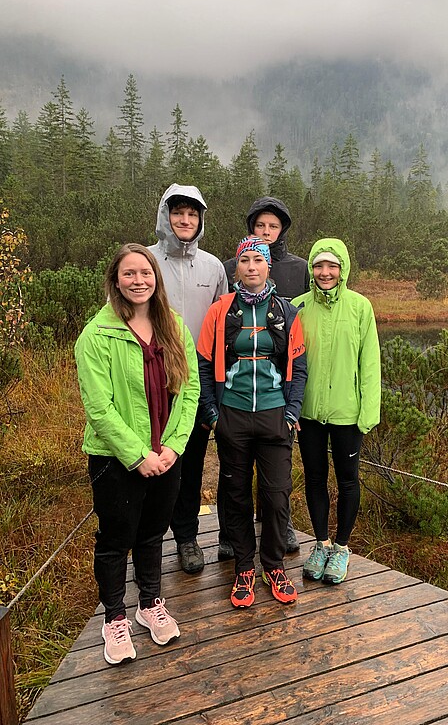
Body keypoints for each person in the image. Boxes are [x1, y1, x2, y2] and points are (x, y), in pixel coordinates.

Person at [75, 244, 200, 665]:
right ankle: (114, 617)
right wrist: (138, 455)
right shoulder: (96, 336)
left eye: (145, 273)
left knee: (152, 533)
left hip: (166, 456)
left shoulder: (174, 327)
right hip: (115, 460)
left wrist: (173, 446)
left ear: (155, 278)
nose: (138, 280)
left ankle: (150, 604)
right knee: (115, 540)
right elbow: (99, 408)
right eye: (128, 273)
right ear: (115, 280)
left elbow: (190, 391)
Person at [197, 236, 307, 608]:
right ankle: (244, 567)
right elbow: (203, 365)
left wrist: (291, 413)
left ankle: (273, 565)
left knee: (276, 496)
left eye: (258, 260)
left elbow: (299, 367)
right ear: (237, 268)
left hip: (275, 415)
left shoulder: (287, 312)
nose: (251, 266)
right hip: (233, 414)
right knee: (236, 495)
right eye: (245, 260)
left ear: (268, 266)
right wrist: (213, 415)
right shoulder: (220, 311)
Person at [222, 196, 309, 556]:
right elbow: (222, 330)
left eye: (273, 226)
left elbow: (303, 323)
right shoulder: (232, 266)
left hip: (278, 387)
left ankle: (280, 527)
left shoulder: (300, 267)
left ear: (282, 229)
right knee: (234, 478)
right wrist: (214, 406)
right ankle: (231, 536)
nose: (267, 231)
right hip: (237, 395)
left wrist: (292, 407)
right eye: (260, 225)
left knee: (277, 478)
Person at [148, 183, 228, 573]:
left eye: (192, 214)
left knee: (191, 464)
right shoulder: (146, 261)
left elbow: (224, 327)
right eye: (178, 212)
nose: (184, 219)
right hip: (149, 380)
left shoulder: (213, 268)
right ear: (165, 215)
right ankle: (146, 542)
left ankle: (186, 538)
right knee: (146, 462)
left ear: (200, 220)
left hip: (194, 385)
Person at [292, 238, 381, 585]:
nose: (325, 272)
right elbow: (289, 363)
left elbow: (369, 362)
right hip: (308, 413)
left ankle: (341, 547)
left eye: (332, 266)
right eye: (319, 265)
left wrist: (368, 412)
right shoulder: (298, 307)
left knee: (347, 480)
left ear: (343, 269)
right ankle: (321, 544)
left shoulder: (360, 307)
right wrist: (290, 408)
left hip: (348, 413)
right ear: (311, 268)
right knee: (314, 478)